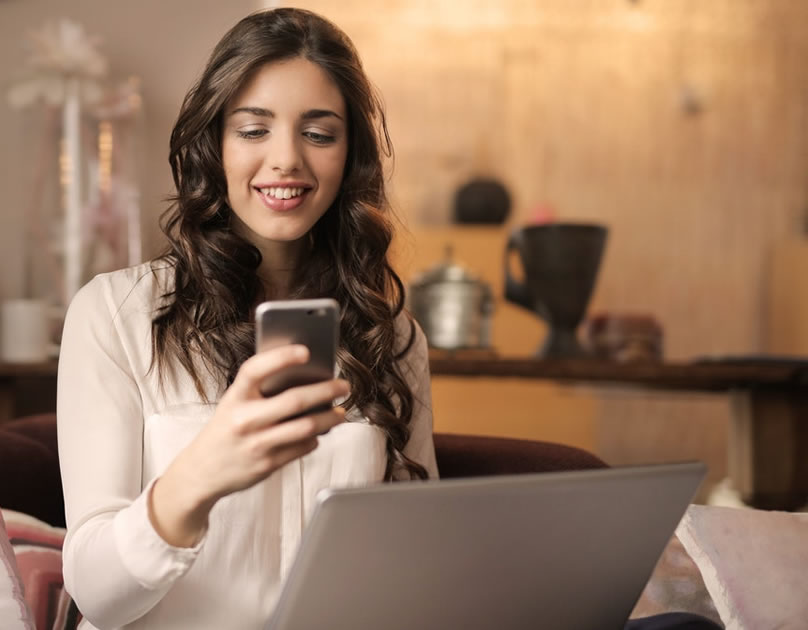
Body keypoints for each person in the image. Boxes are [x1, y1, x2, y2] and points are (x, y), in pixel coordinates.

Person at [56, 8, 720, 630]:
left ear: (349, 158)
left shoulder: (388, 333)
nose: (286, 158)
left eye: (319, 133)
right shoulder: (117, 315)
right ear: (213, 146)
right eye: (253, 129)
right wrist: (197, 478)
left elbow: (412, 559)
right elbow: (95, 592)